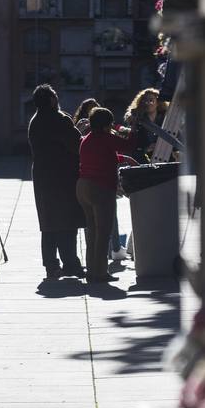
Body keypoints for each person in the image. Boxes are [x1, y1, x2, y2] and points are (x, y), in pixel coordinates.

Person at [27, 85, 85, 280]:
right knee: (67, 222)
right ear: (52, 100)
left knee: (48, 223)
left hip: (43, 177)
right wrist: (81, 131)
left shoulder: (34, 121)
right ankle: (71, 264)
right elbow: (77, 145)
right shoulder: (60, 119)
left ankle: (51, 266)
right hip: (63, 177)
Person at [76, 107, 133, 284]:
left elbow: (105, 156)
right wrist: (131, 129)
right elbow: (129, 145)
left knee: (92, 232)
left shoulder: (86, 139)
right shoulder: (106, 137)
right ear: (107, 124)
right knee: (103, 233)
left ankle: (91, 270)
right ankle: (100, 273)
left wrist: (122, 158)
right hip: (100, 189)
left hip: (83, 187)